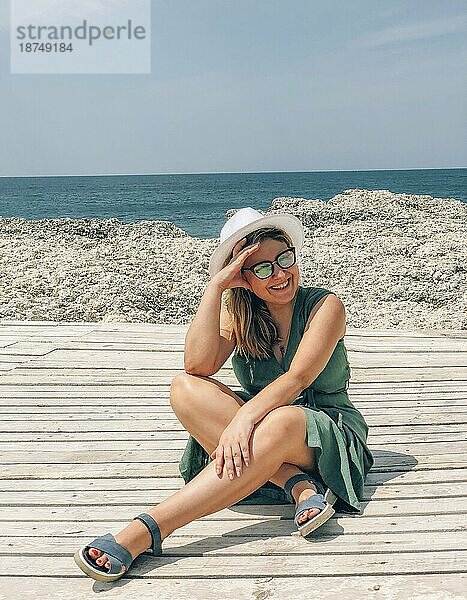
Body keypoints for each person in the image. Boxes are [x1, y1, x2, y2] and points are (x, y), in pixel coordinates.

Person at [74, 206, 374, 582]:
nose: (280, 274)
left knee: (281, 419)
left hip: (325, 431)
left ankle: (146, 529)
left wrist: (244, 419)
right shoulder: (242, 313)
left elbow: (297, 379)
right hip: (261, 424)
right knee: (184, 388)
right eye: (262, 268)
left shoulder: (324, 305)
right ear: (243, 277)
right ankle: (295, 483)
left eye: (285, 259)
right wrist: (215, 287)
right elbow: (197, 366)